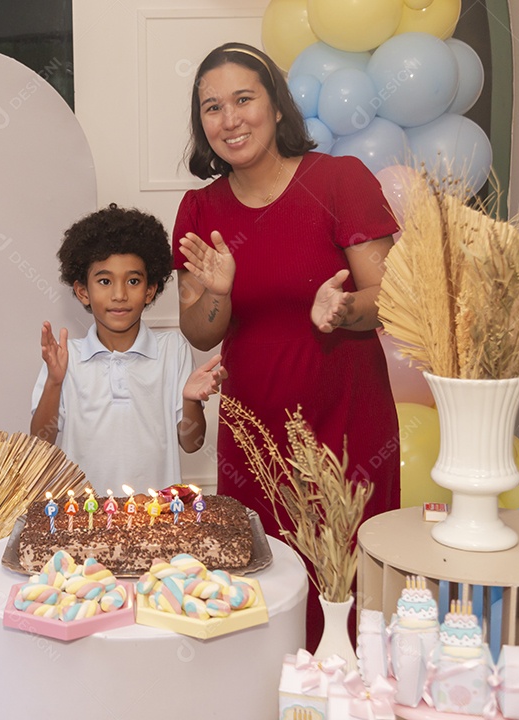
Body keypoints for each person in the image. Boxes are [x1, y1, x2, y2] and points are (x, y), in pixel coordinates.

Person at [173, 42, 401, 645]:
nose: (230, 119)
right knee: (258, 584)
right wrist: (220, 291)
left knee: (344, 582)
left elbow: (393, 294)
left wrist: (346, 307)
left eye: (244, 99)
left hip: (347, 423)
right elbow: (200, 329)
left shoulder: (340, 180)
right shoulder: (200, 209)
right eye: (212, 107)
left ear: (276, 107)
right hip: (255, 432)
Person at [32, 204, 225, 490]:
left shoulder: (172, 349)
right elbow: (40, 441)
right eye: (105, 281)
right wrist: (54, 382)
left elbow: (192, 443)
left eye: (133, 281)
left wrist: (189, 400)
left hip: (157, 517)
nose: (120, 294)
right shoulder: (65, 357)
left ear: (150, 290)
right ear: (83, 291)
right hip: (85, 518)